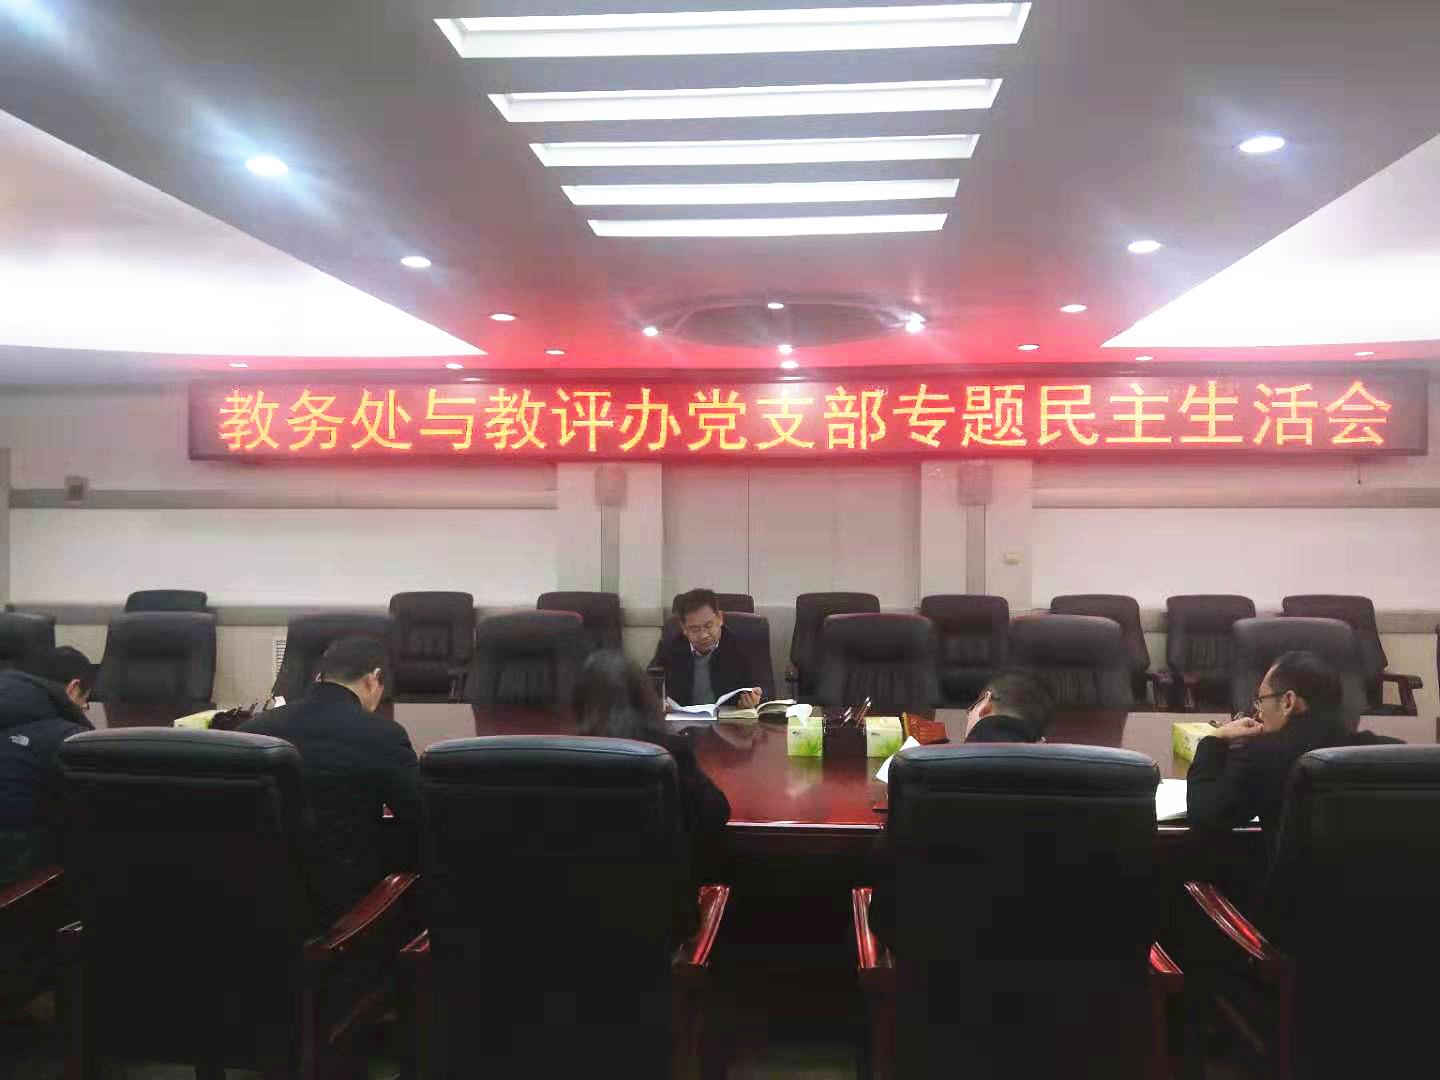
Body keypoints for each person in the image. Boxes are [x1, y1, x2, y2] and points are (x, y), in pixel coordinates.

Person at [868, 669, 1054, 950]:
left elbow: (882, 865)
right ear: (1040, 739)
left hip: (925, 949)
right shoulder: (1069, 779)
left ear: (985, 704)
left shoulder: (918, 768)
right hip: (1038, 950)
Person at [240, 635, 419, 928]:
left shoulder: (253, 730)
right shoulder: (383, 735)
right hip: (340, 909)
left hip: (259, 896)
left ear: (320, 676)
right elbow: (421, 815)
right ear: (374, 679)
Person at [574, 650, 730, 938]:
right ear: (644, 698)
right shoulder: (668, 752)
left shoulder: (566, 756)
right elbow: (716, 813)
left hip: (580, 921)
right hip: (664, 925)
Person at [1186, 650, 1396, 856]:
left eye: (1261, 700)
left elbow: (1204, 817)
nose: (1258, 712)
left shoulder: (1263, 755)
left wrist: (1214, 739)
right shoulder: (1386, 754)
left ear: (1288, 701)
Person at [0, 647, 95, 885]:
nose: (83, 709)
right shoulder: (66, 739)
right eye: (84, 702)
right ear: (73, 688)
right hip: (15, 877)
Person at [650, 588, 769, 709]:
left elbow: (765, 690)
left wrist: (755, 699)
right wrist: (659, 701)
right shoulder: (670, 646)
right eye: (695, 629)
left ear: (720, 619)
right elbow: (650, 684)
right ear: (684, 628)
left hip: (729, 718)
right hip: (683, 719)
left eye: (708, 626)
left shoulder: (743, 645)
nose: (703, 635)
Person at [962, 669, 1057, 743]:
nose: (968, 715)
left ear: (985, 706)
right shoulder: (1049, 760)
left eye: (972, 708)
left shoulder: (957, 758)